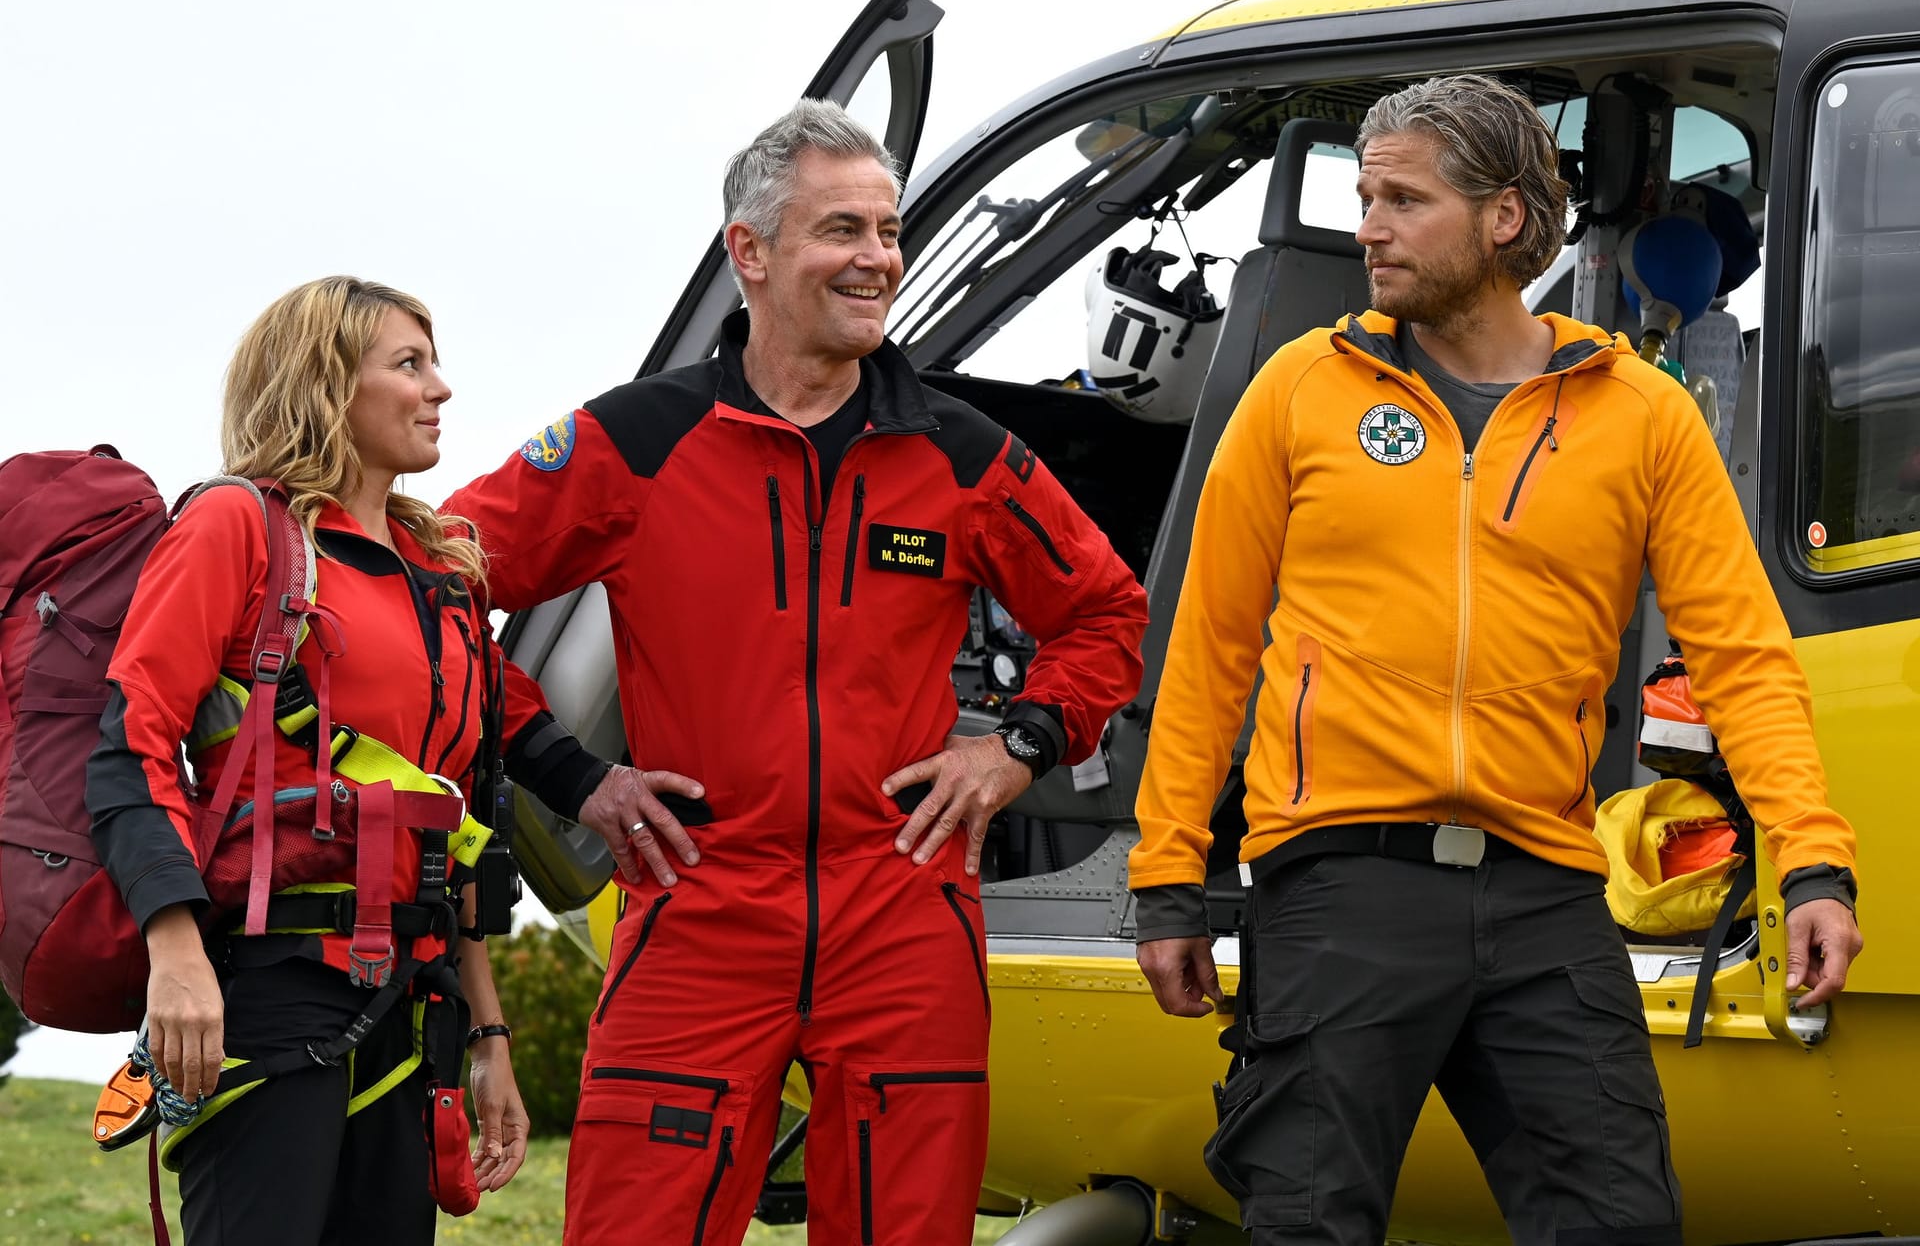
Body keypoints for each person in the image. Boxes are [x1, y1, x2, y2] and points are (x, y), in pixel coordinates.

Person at [1128, 74, 1864, 1245]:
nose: (1368, 225)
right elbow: (1211, 648)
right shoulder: (1300, 389)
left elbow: (1743, 654)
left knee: (1619, 1224)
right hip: (1338, 884)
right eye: (1366, 196)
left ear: (1507, 216)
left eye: (1403, 200)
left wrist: (1812, 862)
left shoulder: (1642, 412)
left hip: (1547, 890)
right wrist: (1165, 872)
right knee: (1306, 1226)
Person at [443, 99, 1149, 1244]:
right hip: (697, 901)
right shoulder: (636, 439)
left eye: (887, 230)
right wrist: (570, 773)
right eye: (843, 230)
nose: (878, 259)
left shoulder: (961, 453)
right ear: (751, 252)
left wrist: (1016, 745)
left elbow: (1108, 611)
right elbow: (425, 590)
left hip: (904, 905)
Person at [87, 277, 624, 1244]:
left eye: (435, 362)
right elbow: (132, 741)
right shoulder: (237, 527)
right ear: (325, 385)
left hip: (414, 1010)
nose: (441, 389)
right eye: (409, 364)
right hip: (264, 985)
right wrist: (174, 955)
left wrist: (489, 1031)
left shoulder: (442, 580)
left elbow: (451, 823)